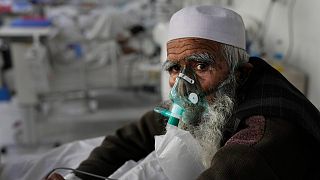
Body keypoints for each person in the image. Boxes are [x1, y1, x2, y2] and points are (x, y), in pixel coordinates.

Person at [48, 5, 320, 180]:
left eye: (202, 65)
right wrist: (79, 177)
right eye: (175, 68)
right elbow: (126, 139)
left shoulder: (263, 133)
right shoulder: (201, 97)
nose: (184, 82)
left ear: (240, 73)